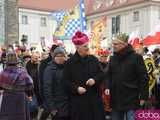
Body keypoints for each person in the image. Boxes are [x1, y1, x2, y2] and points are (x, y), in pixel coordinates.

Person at [104, 33, 149, 120]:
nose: (113, 46)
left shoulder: (136, 58)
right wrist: (107, 87)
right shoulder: (113, 58)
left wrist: (143, 96)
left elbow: (143, 78)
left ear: (124, 44)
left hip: (132, 98)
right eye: (113, 44)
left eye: (115, 44)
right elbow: (109, 75)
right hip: (116, 98)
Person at [63, 31, 105, 120]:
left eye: (87, 45)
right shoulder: (69, 63)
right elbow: (65, 81)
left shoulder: (93, 59)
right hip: (79, 103)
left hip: (95, 101)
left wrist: (94, 80)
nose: (87, 48)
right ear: (78, 48)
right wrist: (76, 88)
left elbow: (101, 74)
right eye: (85, 46)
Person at [0, 51, 33, 120]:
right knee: (20, 117)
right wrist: (29, 94)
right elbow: (30, 85)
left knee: (7, 116)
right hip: (20, 98)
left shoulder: (3, 73)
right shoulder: (22, 71)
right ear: (17, 61)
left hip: (7, 98)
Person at [43, 47, 70, 120]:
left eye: (62, 56)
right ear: (54, 57)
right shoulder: (49, 69)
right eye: (58, 56)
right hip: (57, 105)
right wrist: (52, 107)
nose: (60, 58)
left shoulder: (68, 68)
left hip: (68, 104)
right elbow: (47, 89)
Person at [39, 45, 58, 120]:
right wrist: (42, 95)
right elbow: (41, 80)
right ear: (51, 52)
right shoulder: (44, 63)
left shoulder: (60, 62)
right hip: (47, 92)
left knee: (55, 113)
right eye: (56, 53)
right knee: (47, 111)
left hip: (57, 93)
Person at [26, 51, 42, 119]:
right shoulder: (27, 65)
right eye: (35, 58)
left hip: (39, 89)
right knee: (32, 107)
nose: (37, 59)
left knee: (38, 106)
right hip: (30, 90)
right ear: (31, 58)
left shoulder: (40, 65)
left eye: (38, 58)